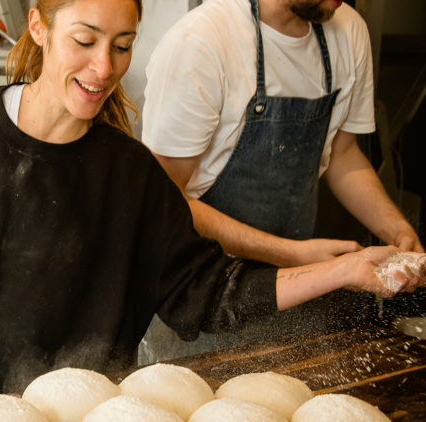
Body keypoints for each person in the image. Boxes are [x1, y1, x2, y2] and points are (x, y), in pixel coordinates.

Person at [0, 0, 424, 421]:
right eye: (85, 41)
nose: (103, 67)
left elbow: (211, 292)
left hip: (52, 414)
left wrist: (344, 270)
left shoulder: (130, 177)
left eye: (122, 46)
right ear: (39, 27)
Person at [138, 0, 424, 361]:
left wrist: (397, 231)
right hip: (206, 299)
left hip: (302, 292)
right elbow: (166, 198)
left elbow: (343, 155)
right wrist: (297, 255)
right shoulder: (202, 41)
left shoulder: (348, 29)